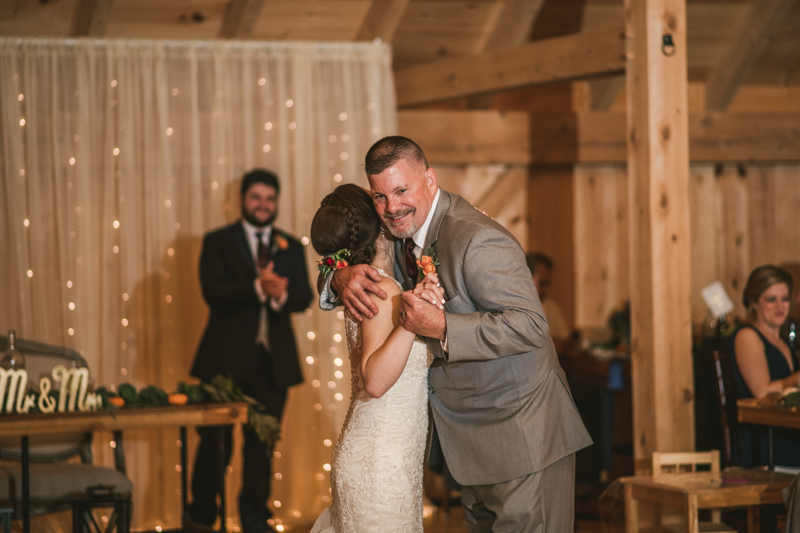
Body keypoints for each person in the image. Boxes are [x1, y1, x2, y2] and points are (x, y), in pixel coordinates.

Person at [320, 136, 592, 532]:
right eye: (380, 197)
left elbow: (531, 326)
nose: (391, 207)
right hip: (467, 446)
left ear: (430, 179)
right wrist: (338, 276)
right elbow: (340, 232)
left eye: (402, 190)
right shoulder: (396, 228)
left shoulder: (476, 238)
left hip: (522, 436)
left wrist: (443, 326)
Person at [188, 169, 312, 533]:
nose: (263, 205)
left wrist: (282, 295)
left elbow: (303, 297)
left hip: (273, 365)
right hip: (223, 363)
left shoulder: (291, 245)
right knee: (214, 446)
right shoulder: (218, 241)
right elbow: (213, 293)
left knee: (262, 448)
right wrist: (258, 288)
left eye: (270, 199)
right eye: (256, 198)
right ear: (243, 199)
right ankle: (201, 519)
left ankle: (255, 519)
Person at [308, 184, 437, 533]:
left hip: (381, 455)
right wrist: (414, 317)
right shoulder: (383, 290)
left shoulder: (364, 282)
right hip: (380, 464)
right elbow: (375, 381)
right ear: (379, 225)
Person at [732, 265, 800, 467]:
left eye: (785, 298)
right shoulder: (748, 336)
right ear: (754, 303)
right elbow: (762, 391)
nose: (780, 306)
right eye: (771, 299)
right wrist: (797, 378)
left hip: (786, 433)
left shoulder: (784, 340)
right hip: (765, 442)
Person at [526, 253, 571, 351]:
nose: (545, 290)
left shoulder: (551, 306)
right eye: (541, 283)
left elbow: (564, 337)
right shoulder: (511, 307)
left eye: (547, 284)